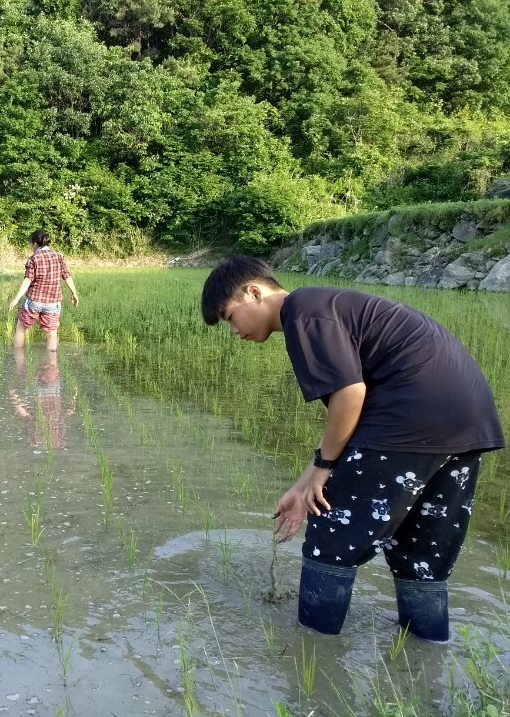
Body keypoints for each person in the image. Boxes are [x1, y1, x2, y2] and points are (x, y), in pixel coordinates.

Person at [200, 255, 504, 640]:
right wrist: (303, 484)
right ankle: (428, 655)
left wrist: (325, 471)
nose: (233, 331)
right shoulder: (327, 306)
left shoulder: (303, 314)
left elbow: (350, 395)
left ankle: (312, 656)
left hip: (409, 419)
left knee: (329, 541)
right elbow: (348, 427)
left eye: (228, 317)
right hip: (465, 422)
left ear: (254, 292)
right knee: (420, 556)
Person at [8, 229, 79, 352]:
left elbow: (27, 280)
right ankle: (52, 365)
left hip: (34, 301)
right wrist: (74, 293)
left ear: (35, 244)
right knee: (52, 333)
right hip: (53, 302)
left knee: (21, 329)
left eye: (32, 244)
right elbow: (67, 276)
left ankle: (18, 365)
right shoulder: (59, 256)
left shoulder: (34, 258)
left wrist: (16, 299)